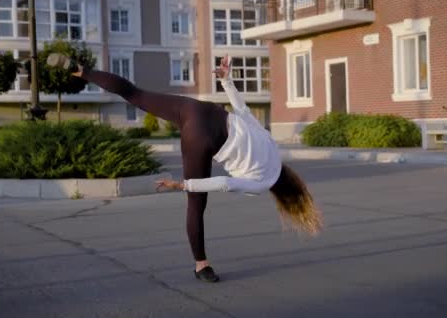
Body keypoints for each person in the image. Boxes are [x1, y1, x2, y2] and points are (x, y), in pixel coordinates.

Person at [48, 53, 322, 283]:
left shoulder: (273, 147)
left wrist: (226, 80)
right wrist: (184, 185)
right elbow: (226, 183)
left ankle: (81, 70)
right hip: (202, 137)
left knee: (135, 93)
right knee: (196, 204)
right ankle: (201, 265)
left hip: (204, 110)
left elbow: (244, 111)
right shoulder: (263, 184)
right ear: (282, 195)